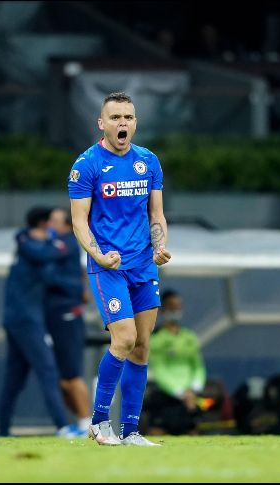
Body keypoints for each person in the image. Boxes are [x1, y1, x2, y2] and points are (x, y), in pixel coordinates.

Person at [68, 91, 171, 446]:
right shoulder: (86, 165)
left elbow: (156, 214)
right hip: (108, 267)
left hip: (144, 266)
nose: (122, 123)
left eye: (128, 117)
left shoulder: (148, 162)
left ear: (135, 122)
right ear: (102, 124)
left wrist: (159, 246)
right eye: (115, 118)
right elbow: (79, 223)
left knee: (142, 347)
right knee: (123, 338)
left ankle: (130, 431)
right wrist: (98, 256)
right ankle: (98, 422)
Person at [0, 206, 79, 438]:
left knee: (14, 379)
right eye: (51, 222)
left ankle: (3, 431)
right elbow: (50, 257)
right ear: (44, 224)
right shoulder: (37, 248)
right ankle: (63, 427)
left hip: (16, 318)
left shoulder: (27, 245)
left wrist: (22, 236)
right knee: (48, 370)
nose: (54, 227)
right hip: (26, 320)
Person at [45, 207, 93, 434]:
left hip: (68, 315)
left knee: (72, 375)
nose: (50, 225)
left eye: (55, 221)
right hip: (56, 315)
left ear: (66, 225)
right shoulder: (60, 248)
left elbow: (53, 274)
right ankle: (80, 423)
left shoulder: (66, 244)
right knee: (63, 379)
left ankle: (87, 424)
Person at [145, 289, 207, 436]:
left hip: (190, 395)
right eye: (172, 306)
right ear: (163, 309)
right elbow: (159, 370)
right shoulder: (156, 339)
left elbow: (197, 366)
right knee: (157, 433)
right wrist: (180, 392)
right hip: (167, 395)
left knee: (193, 434)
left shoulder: (189, 337)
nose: (176, 310)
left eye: (179, 306)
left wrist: (194, 388)